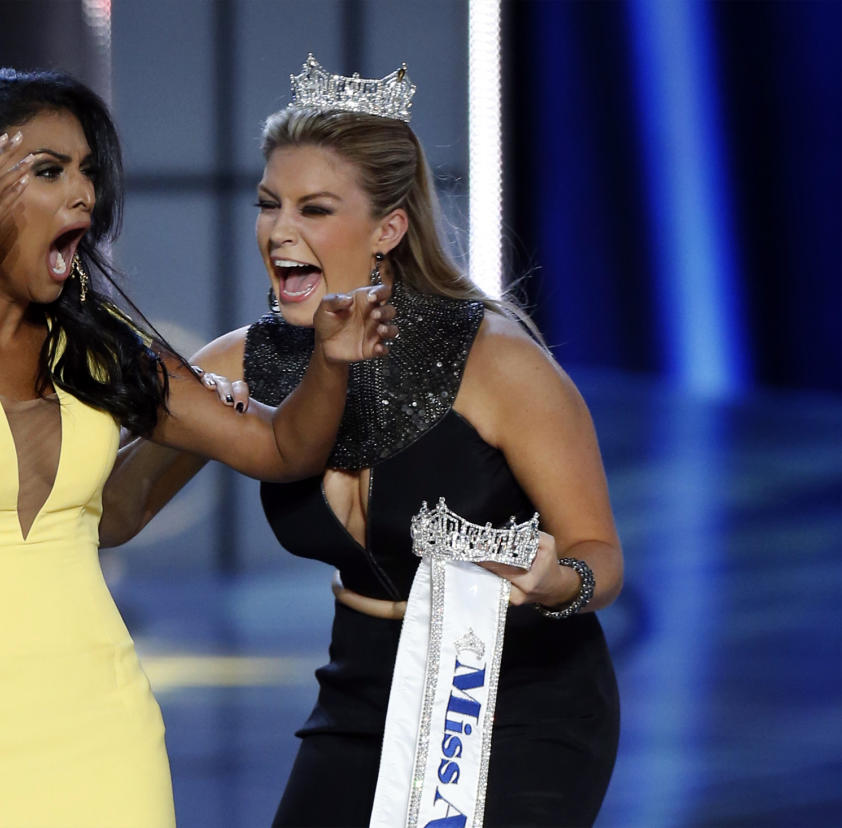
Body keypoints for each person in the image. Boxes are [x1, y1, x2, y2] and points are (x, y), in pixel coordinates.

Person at [0, 67, 398, 828]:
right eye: (49, 172)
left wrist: (334, 365)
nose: (84, 195)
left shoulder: (102, 352)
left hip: (101, 720)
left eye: (88, 173)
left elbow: (280, 448)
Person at [104, 57, 622, 827]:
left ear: (388, 229)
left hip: (517, 697)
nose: (279, 231)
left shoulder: (499, 365)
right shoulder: (238, 362)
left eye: (314, 209)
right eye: (269, 204)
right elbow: (114, 515)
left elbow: (599, 556)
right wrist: (195, 420)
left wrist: (560, 583)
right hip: (360, 693)